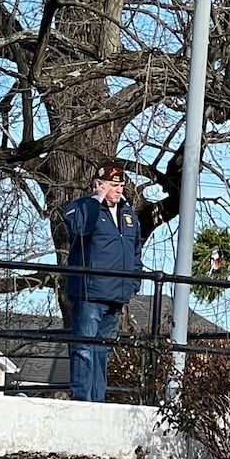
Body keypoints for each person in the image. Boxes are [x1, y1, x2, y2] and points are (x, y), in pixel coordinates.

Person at [61, 161, 143, 402]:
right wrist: (96, 200)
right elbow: (79, 227)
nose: (119, 190)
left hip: (116, 295)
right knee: (84, 348)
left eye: (121, 185)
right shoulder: (82, 207)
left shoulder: (129, 215)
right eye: (113, 185)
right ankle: (83, 400)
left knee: (102, 351)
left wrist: (134, 281)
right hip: (90, 292)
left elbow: (135, 249)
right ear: (99, 184)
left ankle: (98, 400)